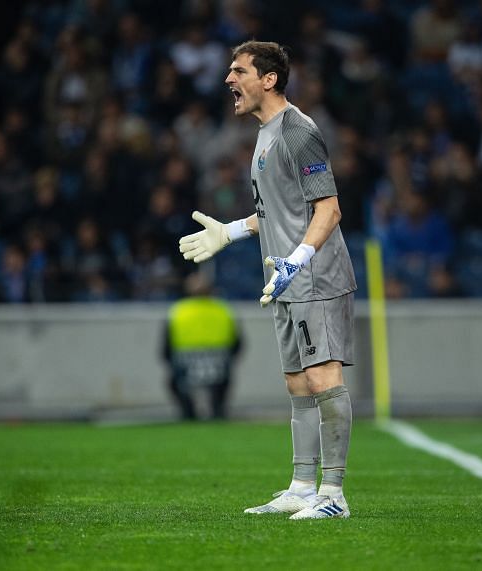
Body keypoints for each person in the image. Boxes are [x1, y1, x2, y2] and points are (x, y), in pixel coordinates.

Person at [178, 41, 356, 520]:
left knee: (323, 378)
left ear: (269, 78)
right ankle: (301, 486)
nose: (228, 80)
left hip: (315, 275)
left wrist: (298, 258)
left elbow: (329, 209)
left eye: (238, 71)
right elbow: (279, 211)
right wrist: (232, 231)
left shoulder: (298, 132)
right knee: (298, 382)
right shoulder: (265, 134)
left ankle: (333, 495)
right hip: (284, 276)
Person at [162, 272, 242, 420]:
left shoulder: (178, 311)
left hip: (186, 367)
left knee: (174, 382)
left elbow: (165, 348)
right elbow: (238, 344)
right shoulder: (223, 309)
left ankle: (188, 413)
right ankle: (217, 411)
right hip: (218, 366)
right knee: (224, 380)